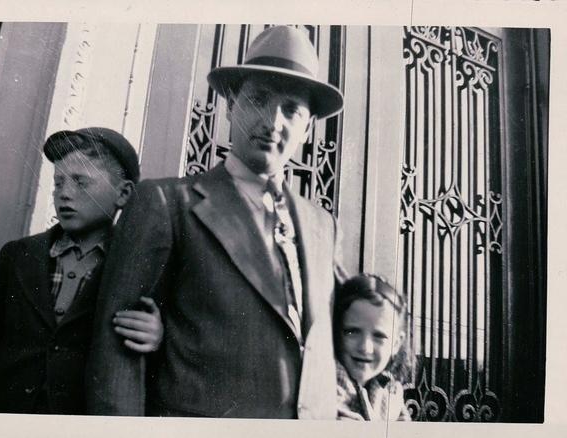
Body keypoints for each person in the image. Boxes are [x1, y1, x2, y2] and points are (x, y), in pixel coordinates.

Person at [85, 25, 346, 418]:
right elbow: (116, 358)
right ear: (230, 107)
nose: (273, 122)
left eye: (292, 109)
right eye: (258, 100)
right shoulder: (165, 203)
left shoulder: (323, 227)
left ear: (307, 128)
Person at [0, 127, 163, 414]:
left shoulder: (140, 268)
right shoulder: (19, 255)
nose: (65, 194)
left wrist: (158, 337)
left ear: (124, 194)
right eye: (58, 183)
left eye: (81, 183)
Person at [334, 274, 412, 421]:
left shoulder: (391, 394)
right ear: (337, 333)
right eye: (352, 332)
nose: (365, 348)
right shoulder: (324, 392)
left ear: (396, 344)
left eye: (379, 336)